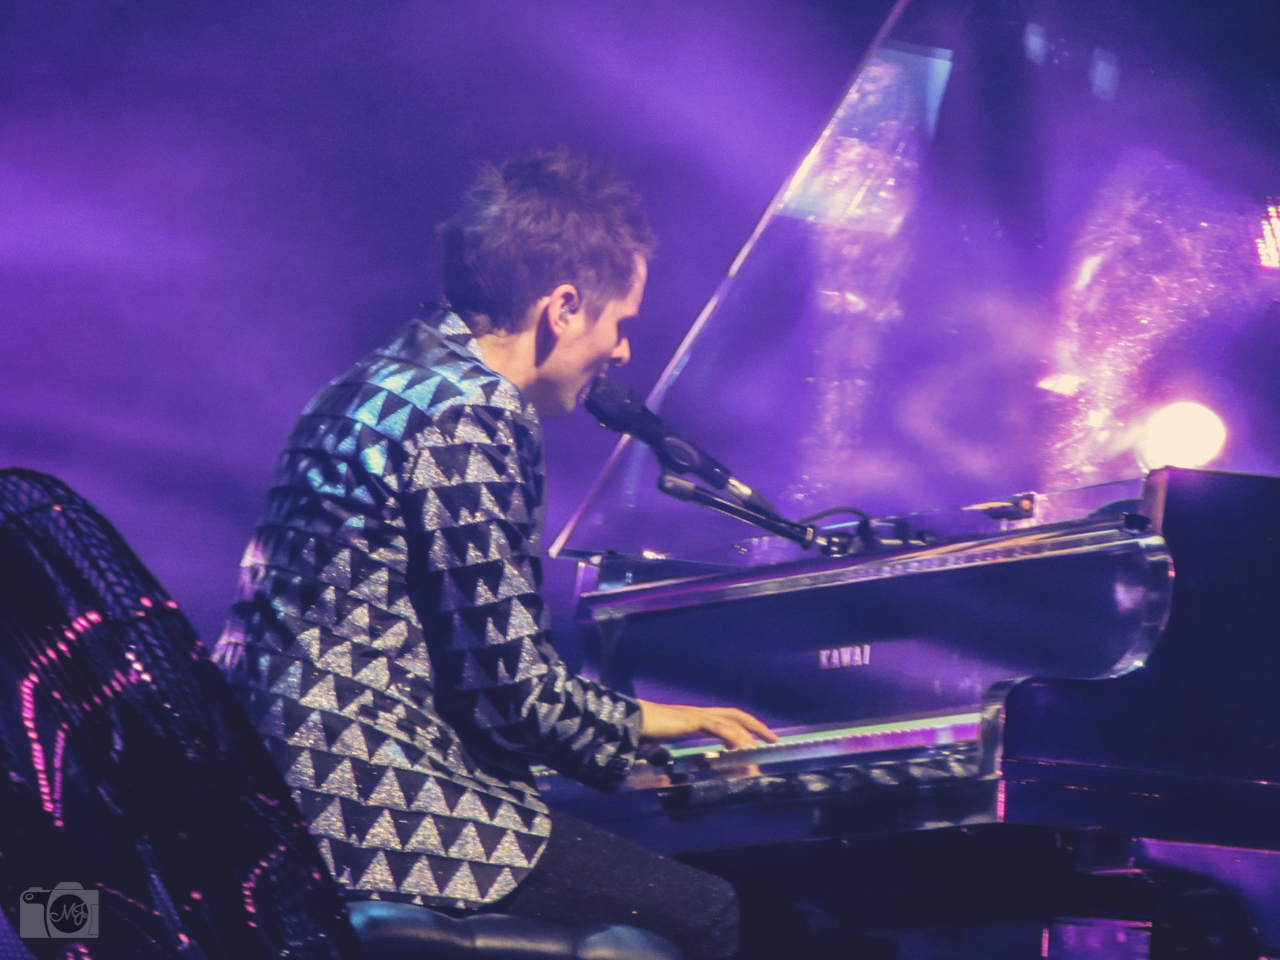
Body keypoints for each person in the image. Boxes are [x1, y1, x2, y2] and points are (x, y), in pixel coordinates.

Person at [213, 150, 775, 960]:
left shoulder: (367, 384)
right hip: (368, 805)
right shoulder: (473, 414)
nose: (622, 353)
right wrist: (659, 720)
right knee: (709, 911)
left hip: (265, 785)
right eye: (622, 325)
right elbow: (513, 691)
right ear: (565, 306)